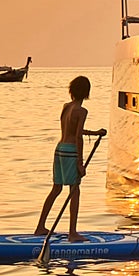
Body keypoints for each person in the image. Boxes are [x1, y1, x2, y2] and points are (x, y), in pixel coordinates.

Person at [34, 76, 103, 242]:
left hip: (59, 149)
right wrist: (80, 163)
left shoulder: (66, 107)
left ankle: (40, 227)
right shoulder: (82, 111)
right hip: (71, 152)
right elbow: (78, 137)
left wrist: (95, 133)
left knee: (56, 189)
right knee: (75, 190)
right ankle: (73, 233)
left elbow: (72, 130)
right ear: (86, 93)